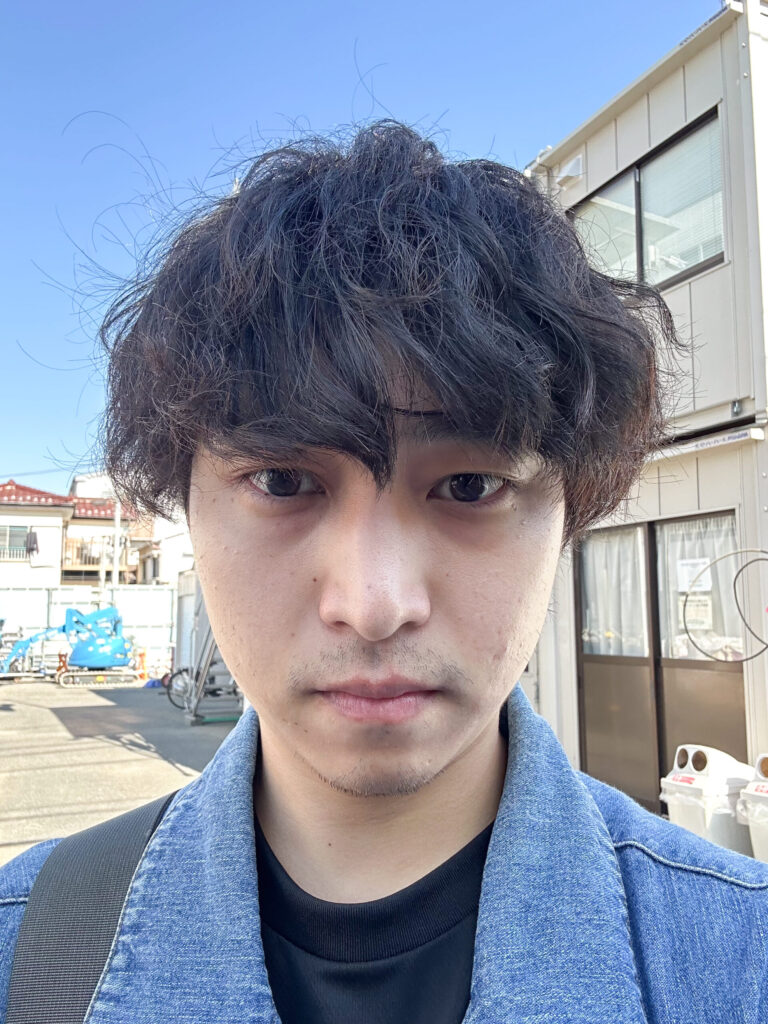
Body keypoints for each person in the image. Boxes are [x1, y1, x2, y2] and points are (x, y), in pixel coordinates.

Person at [1, 121, 766, 1024]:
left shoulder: (737, 959)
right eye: (282, 481)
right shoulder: (29, 954)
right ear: (188, 507)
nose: (373, 605)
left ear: (569, 512)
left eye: (470, 485)